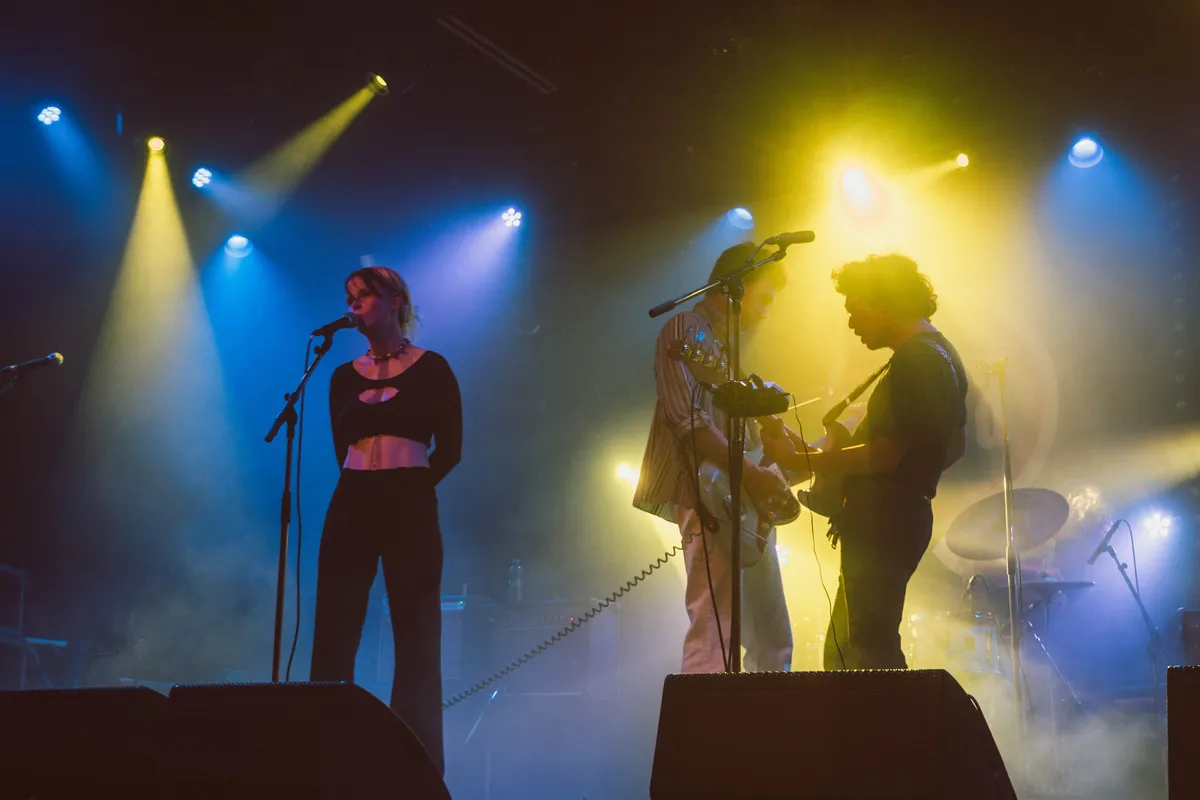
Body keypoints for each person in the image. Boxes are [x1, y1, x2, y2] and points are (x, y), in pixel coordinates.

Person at [766, 254, 967, 670]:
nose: (851, 323)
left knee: (867, 652)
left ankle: (895, 716)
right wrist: (912, 479)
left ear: (885, 302)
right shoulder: (942, 354)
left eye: (855, 309)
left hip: (884, 520)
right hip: (899, 514)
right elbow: (955, 446)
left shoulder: (916, 360)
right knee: (848, 651)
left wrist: (799, 458)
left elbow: (885, 454)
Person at [311, 265, 461, 774]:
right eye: (348, 297)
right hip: (352, 498)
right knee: (334, 626)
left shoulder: (433, 368)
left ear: (395, 300)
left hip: (409, 498)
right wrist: (367, 487)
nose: (352, 305)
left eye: (364, 295)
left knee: (416, 631)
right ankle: (326, 757)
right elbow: (341, 447)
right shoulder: (341, 375)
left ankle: (413, 766)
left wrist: (410, 487)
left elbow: (451, 448)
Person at [633, 241, 794, 674]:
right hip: (709, 495)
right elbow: (687, 419)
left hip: (744, 500)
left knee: (770, 632)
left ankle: (772, 712)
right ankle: (706, 714)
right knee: (715, 628)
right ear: (732, 289)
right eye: (765, 298)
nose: (767, 312)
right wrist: (753, 474)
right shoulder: (685, 328)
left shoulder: (724, 352)